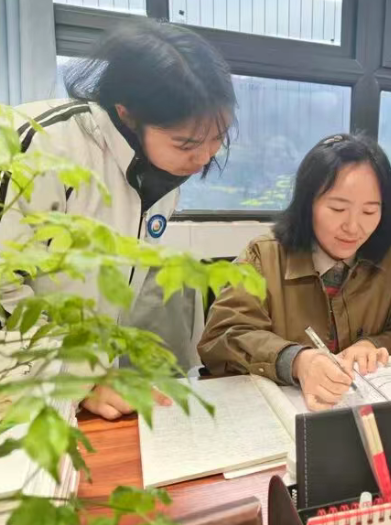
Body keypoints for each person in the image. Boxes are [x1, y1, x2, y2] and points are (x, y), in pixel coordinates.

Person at [0, 20, 237, 419]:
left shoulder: (157, 175)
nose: (204, 158)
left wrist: (90, 378)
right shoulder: (38, 147)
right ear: (127, 114)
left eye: (218, 138)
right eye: (187, 143)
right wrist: (74, 381)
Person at [198, 134, 391, 411]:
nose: (353, 227)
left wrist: (373, 345)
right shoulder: (263, 257)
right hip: (286, 417)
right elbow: (221, 338)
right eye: (337, 208)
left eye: (370, 212)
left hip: (364, 414)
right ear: (307, 203)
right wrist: (295, 360)